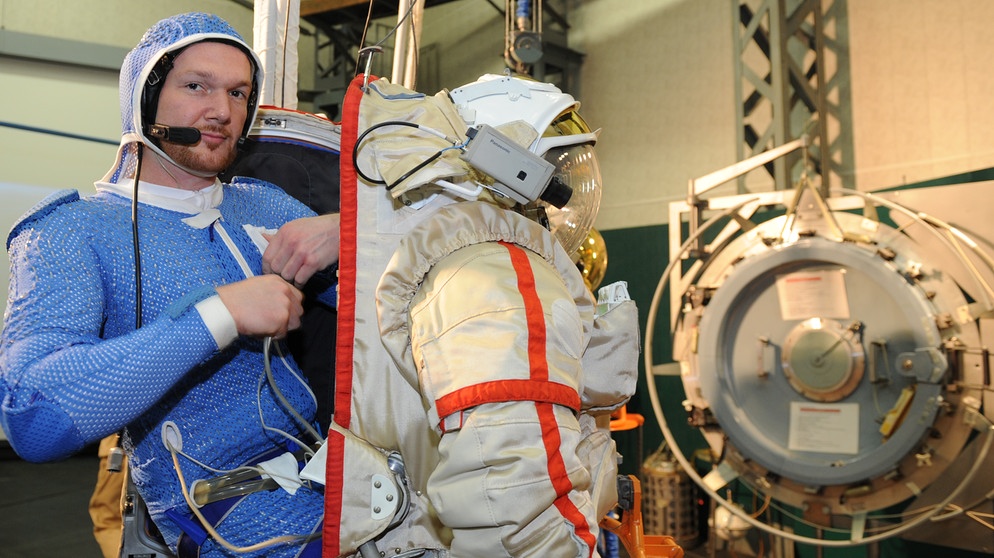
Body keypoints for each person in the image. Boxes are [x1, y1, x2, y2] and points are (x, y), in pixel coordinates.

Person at [0, 12, 338, 557]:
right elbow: (35, 421)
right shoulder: (71, 231)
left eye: (237, 92)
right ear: (146, 98)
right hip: (224, 518)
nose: (222, 111)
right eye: (196, 86)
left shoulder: (264, 203)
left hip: (336, 479)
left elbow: (398, 305)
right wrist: (218, 314)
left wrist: (348, 232)